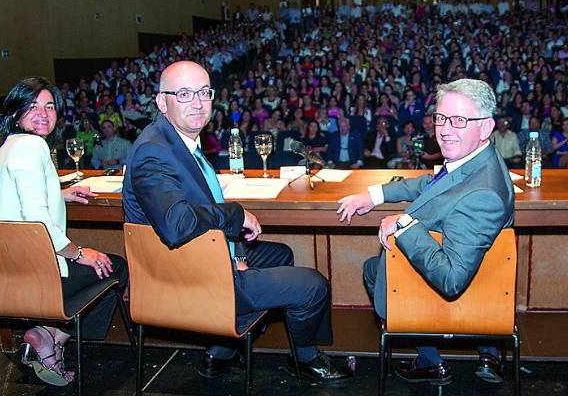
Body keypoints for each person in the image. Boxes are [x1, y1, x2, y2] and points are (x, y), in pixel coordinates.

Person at [121, 61, 351, 383]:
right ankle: (306, 359)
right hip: (189, 277)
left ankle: (221, 352)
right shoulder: (154, 152)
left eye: (204, 92)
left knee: (280, 254)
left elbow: (204, 212)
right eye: (184, 94)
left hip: (202, 257)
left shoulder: (176, 141)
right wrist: (236, 213)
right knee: (313, 286)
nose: (198, 103)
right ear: (162, 102)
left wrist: (238, 254)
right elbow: (177, 225)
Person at [337, 79, 514, 386]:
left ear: (486, 127)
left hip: (463, 295)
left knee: (373, 270)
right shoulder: (479, 159)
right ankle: (484, 352)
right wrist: (375, 195)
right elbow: (431, 185)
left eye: (459, 121)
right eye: (441, 118)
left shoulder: (483, 195)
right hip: (485, 277)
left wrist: (403, 224)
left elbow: (450, 280)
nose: (444, 130)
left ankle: (430, 361)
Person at [0, 77, 126, 387]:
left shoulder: (6, 148)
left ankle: (48, 335)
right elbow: (36, 219)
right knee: (115, 265)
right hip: (35, 276)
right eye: (32, 107)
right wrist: (80, 253)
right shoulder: (33, 146)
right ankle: (51, 336)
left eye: (49, 106)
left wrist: (62, 195)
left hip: (2, 275)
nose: (43, 114)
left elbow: (17, 201)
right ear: (16, 113)